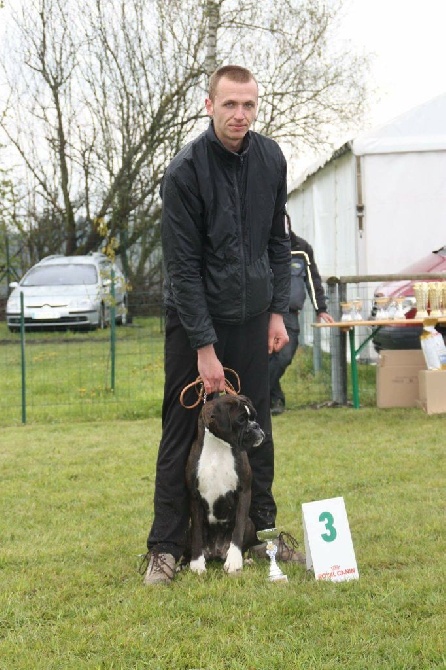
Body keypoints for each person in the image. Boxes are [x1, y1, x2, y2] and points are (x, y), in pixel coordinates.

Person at [143, 64, 305, 586]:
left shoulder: (272, 158)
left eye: (249, 105)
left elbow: (279, 242)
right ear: (209, 105)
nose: (241, 114)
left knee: (258, 429)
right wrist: (204, 349)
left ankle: (259, 534)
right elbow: (183, 270)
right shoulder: (185, 172)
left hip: (254, 318)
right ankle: (165, 549)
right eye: (230, 104)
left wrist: (277, 311)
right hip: (195, 325)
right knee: (181, 431)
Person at [269, 216, 334, 415]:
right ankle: (274, 400)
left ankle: (259, 393)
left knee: (285, 355)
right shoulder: (263, 247)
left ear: (288, 222)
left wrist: (320, 308)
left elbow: (313, 281)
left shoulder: (302, 249)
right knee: (267, 357)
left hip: (290, 314)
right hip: (266, 314)